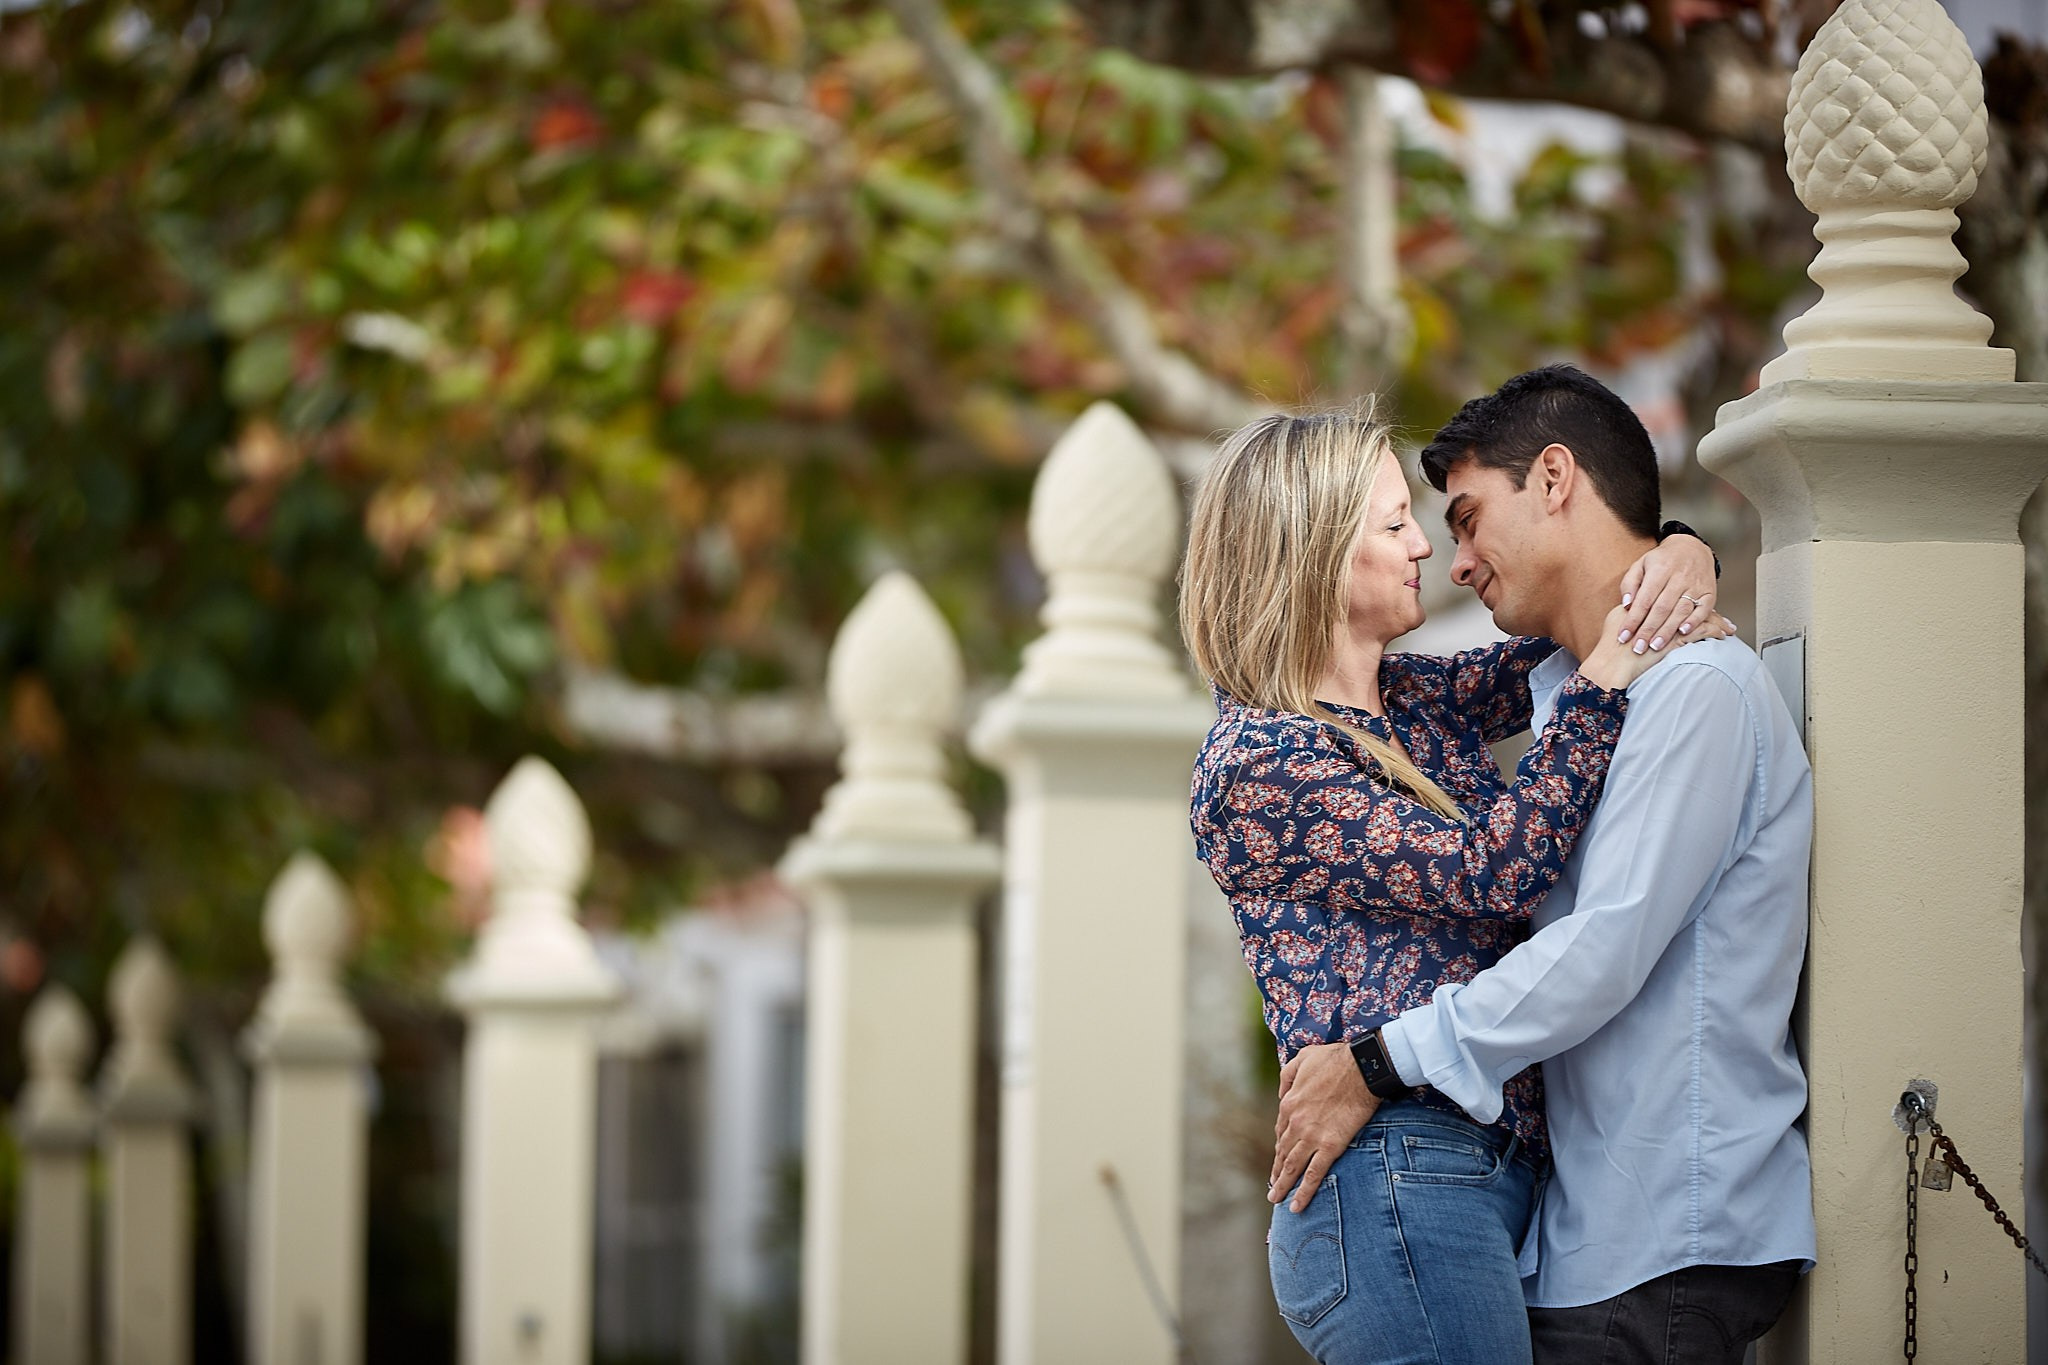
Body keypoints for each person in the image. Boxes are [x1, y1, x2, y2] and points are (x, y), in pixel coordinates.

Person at [1270, 366, 1816, 1365]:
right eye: (1414, 527)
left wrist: (1381, 1059)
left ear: (1555, 480)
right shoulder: (1574, 697)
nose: (1453, 557)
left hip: (1660, 1236)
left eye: (1467, 519)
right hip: (1585, 1239)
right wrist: (1679, 554)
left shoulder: (1690, 691)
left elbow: (1596, 949)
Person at [1179, 401, 1725, 1365]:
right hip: (1393, 1180)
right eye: (1393, 525)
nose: (1426, 547)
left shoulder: (1410, 699)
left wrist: (1682, 551)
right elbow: (1490, 870)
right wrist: (1605, 680)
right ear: (1313, 556)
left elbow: (1578, 622)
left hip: (1478, 1177)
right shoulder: (1260, 761)